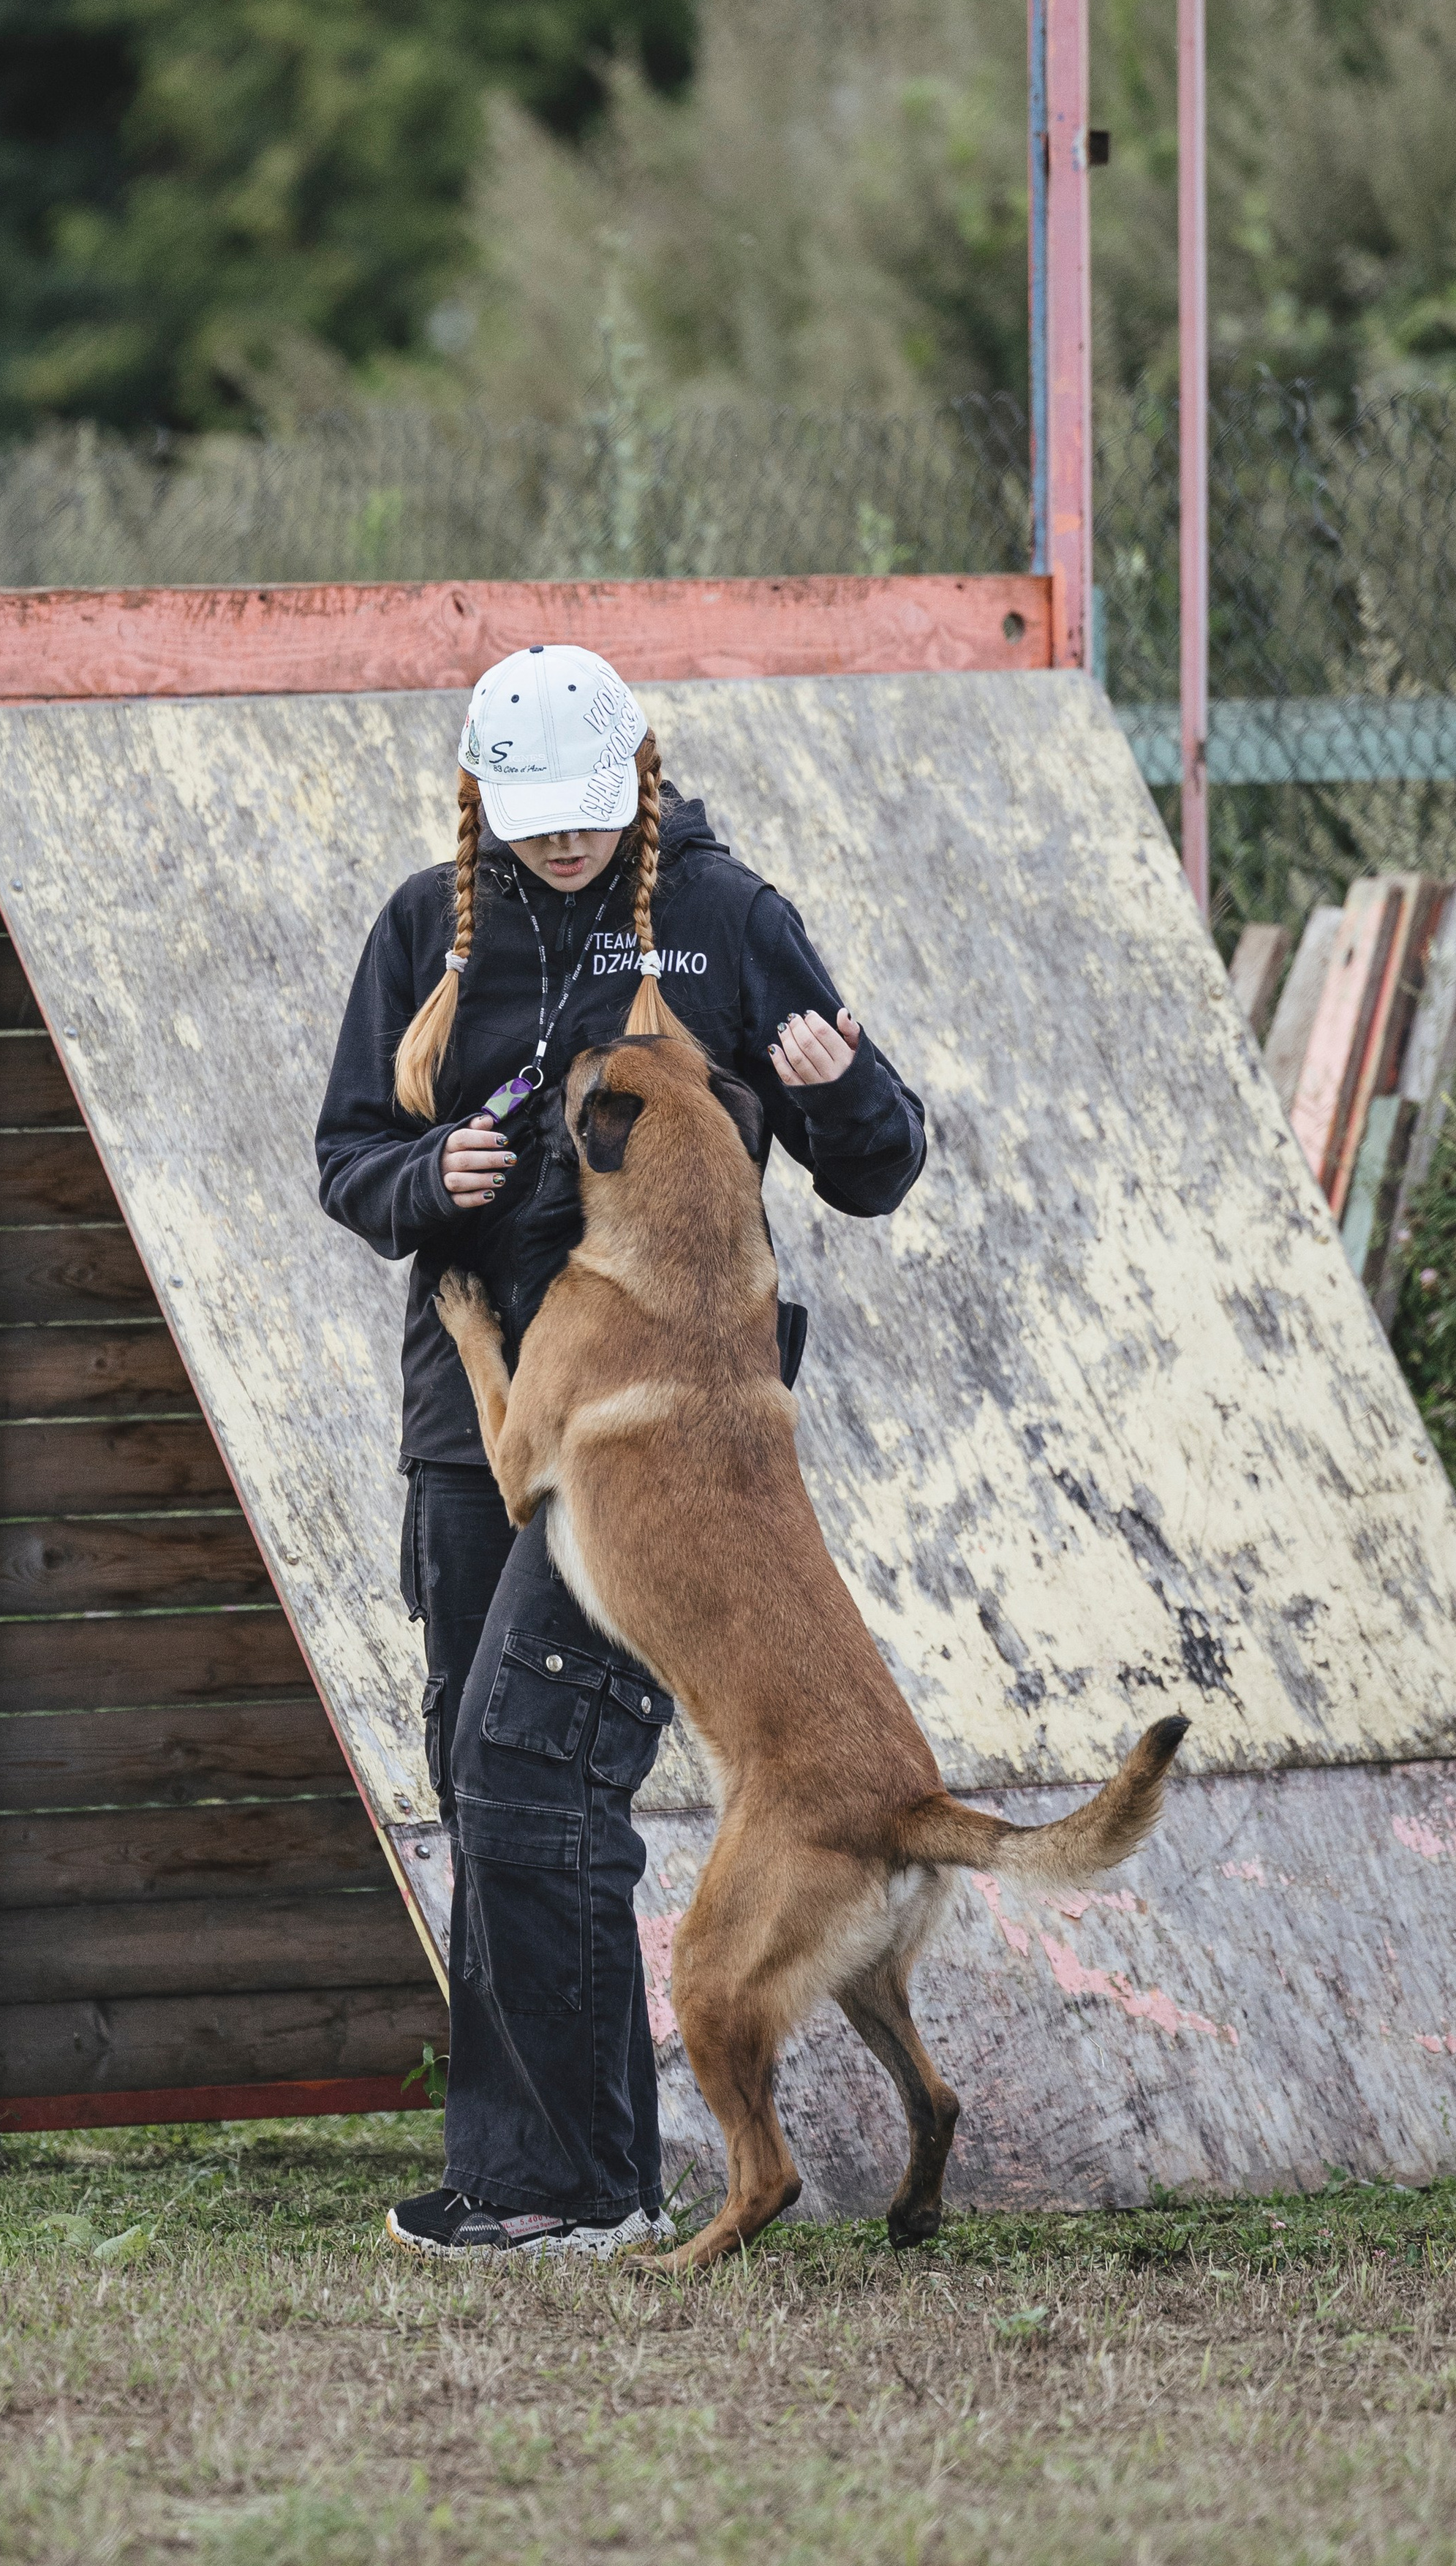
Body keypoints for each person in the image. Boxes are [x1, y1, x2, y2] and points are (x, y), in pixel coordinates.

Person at [316, 643, 927, 2258]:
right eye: (531, 820)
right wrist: (420, 1176)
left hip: (652, 1448)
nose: (563, 845)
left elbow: (876, 1168)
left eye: (587, 815)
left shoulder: (727, 923)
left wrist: (849, 1089)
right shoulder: (421, 928)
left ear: (634, 783)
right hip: (477, 1430)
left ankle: (581, 2184)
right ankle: (522, 2170)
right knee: (483, 1774)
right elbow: (344, 1160)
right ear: (481, 800)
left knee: (535, 1767)